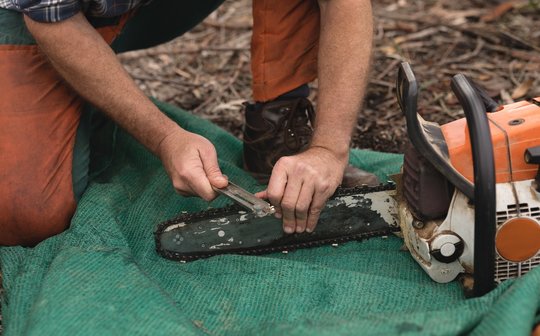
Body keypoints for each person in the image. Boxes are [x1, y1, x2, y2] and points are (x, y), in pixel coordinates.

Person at [0, 0, 377, 246]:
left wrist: (329, 147)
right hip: (42, 18)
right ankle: (75, 86)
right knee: (27, 215)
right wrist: (165, 137)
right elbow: (53, 21)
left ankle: (277, 122)